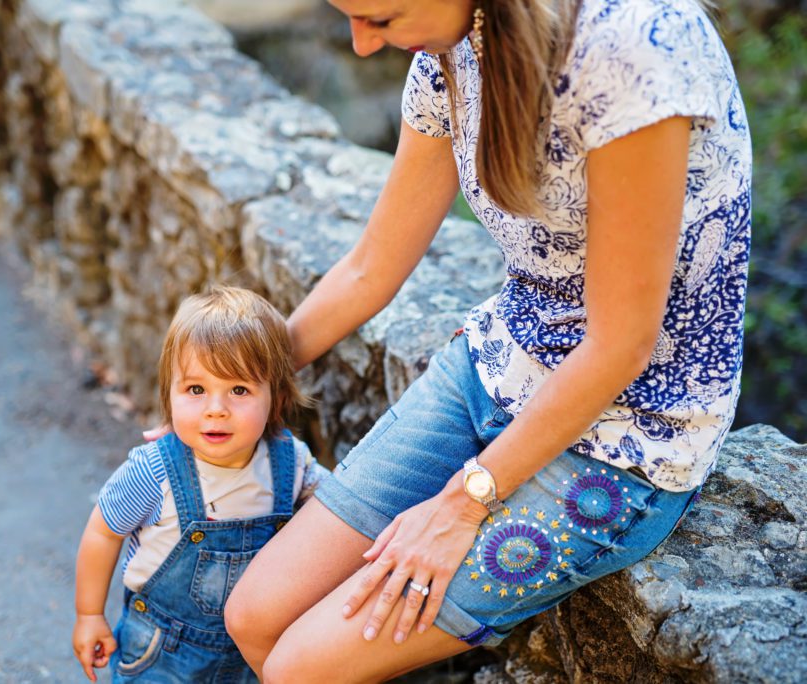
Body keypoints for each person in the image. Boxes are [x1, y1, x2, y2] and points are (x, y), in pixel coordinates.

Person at [224, 0, 751, 680]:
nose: (360, 46)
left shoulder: (631, 47)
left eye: (379, 17)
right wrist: (247, 384)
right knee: (254, 617)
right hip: (498, 366)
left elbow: (623, 344)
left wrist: (460, 505)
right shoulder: (455, 42)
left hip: (625, 435)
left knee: (301, 666)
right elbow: (369, 267)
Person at [72, 286, 328, 682]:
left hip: (251, 656)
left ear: (275, 400)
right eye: (196, 390)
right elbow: (103, 532)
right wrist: (89, 615)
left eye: (239, 390)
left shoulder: (291, 463)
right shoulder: (154, 471)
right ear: (169, 394)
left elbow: (335, 511)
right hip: (162, 653)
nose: (216, 409)